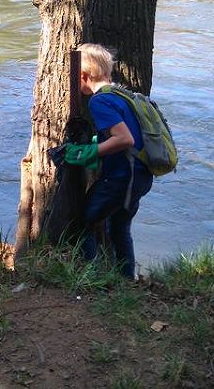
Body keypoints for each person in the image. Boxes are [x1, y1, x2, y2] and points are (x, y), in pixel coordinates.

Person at [63, 43, 153, 280]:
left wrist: (87, 152)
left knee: (84, 223)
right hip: (139, 177)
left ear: (82, 75)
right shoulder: (121, 95)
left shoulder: (99, 101)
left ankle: (92, 279)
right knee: (119, 228)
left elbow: (125, 138)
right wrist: (97, 143)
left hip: (123, 179)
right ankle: (125, 281)